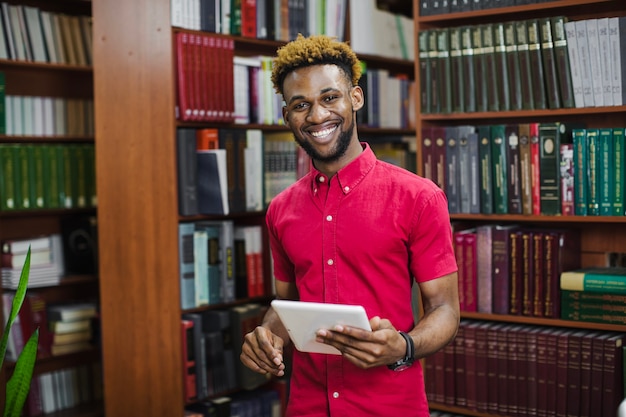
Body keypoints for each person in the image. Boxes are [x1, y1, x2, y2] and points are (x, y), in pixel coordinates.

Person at [240, 34, 460, 417]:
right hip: (306, 406)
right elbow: (286, 305)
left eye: (330, 98)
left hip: (390, 406)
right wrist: (268, 336)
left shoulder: (418, 197)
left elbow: (445, 309)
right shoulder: (280, 210)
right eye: (300, 105)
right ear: (287, 117)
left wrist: (403, 346)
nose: (317, 115)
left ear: (355, 98)